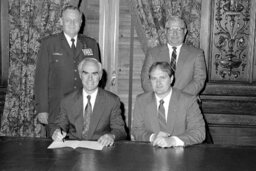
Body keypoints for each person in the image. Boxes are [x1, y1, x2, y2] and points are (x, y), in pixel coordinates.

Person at [34, 5, 101, 136]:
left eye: (76, 20)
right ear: (61, 22)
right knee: (56, 152)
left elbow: (96, 78)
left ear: (81, 22)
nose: (72, 23)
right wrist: (42, 109)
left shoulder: (91, 44)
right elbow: (41, 79)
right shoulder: (48, 44)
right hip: (56, 110)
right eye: (68, 20)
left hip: (84, 110)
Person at [49, 58, 127, 146]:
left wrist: (111, 136)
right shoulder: (67, 100)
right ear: (80, 75)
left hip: (100, 149)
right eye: (86, 73)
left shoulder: (112, 101)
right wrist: (56, 132)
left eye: (94, 74)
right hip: (73, 151)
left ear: (100, 76)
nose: (90, 78)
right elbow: (59, 125)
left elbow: (120, 130)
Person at [132, 61, 205, 147]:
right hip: (151, 153)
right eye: (154, 78)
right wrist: (153, 137)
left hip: (180, 154)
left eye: (162, 78)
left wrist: (172, 141)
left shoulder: (188, 100)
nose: (158, 83)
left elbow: (199, 132)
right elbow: (137, 130)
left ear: (171, 79)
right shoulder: (141, 100)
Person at [141, 16, 206, 96]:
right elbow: (145, 80)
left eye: (179, 29)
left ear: (185, 31)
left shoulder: (196, 54)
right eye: (171, 29)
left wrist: (178, 99)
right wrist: (160, 97)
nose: (175, 33)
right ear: (165, 31)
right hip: (159, 103)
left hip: (186, 102)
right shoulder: (152, 53)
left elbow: (199, 80)